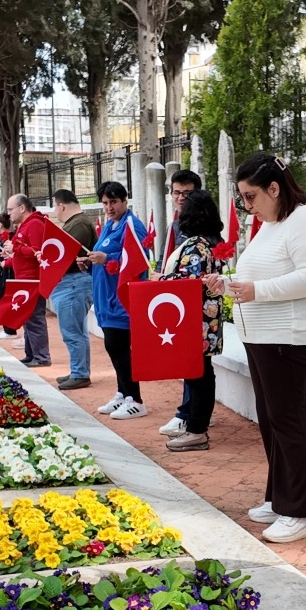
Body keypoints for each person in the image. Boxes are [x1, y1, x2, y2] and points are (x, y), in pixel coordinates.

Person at [206, 154, 306, 543]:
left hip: (288, 338)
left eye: (250, 196)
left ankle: (302, 512)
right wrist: (226, 284)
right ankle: (280, 499)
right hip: (261, 337)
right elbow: (256, 276)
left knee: (288, 422)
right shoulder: (270, 224)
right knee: (271, 419)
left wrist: (256, 290)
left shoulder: (305, 219)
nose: (247, 206)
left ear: (274, 189)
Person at [161, 188, 226, 453]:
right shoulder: (210, 242)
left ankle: (197, 430)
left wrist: (162, 281)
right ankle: (195, 426)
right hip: (204, 320)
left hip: (195, 321)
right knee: (201, 373)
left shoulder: (197, 245)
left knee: (199, 374)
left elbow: (190, 282)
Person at [87, 181, 150, 419]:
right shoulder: (109, 225)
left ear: (124, 201)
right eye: (105, 203)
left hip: (122, 299)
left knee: (119, 347)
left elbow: (140, 259)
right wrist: (92, 260)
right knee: (113, 347)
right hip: (105, 298)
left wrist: (107, 257)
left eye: (113, 202)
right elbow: (105, 255)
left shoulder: (132, 225)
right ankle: (123, 393)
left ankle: (136, 399)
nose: (109, 207)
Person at [159, 169, 207, 437]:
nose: (180, 198)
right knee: (186, 360)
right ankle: (190, 412)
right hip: (178, 304)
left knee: (197, 364)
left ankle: (190, 415)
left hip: (197, 306)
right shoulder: (175, 224)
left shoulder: (203, 226)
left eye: (187, 193)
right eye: (176, 192)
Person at [50, 189, 97, 390]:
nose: (55, 211)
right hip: (72, 283)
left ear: (61, 205)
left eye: (55, 206)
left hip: (73, 283)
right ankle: (79, 370)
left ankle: (80, 373)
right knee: (76, 330)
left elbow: (66, 253)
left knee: (72, 331)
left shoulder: (79, 223)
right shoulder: (77, 223)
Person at [4, 194, 51, 367]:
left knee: (35, 318)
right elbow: (24, 250)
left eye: (11, 209)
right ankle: (31, 354)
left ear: (22, 208)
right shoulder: (26, 225)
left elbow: (38, 252)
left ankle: (41, 357)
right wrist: (12, 253)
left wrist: (15, 248)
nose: (8, 213)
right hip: (24, 279)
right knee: (28, 317)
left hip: (32, 279)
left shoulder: (35, 224)